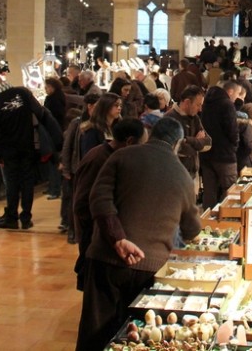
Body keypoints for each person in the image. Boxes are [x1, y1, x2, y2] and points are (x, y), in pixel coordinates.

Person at [77, 117, 201, 350]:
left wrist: (118, 238)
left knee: (94, 332)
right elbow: (192, 228)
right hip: (149, 266)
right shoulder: (183, 176)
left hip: (106, 258)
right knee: (137, 337)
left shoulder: (122, 156)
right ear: (178, 143)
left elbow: (98, 199)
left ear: (151, 134)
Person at [71, 118, 147, 291]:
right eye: (142, 144)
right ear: (129, 141)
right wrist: (103, 227)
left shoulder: (115, 156)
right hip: (95, 235)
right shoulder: (99, 158)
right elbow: (82, 204)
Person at [0, 82, 58, 230]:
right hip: (27, 146)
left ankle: (12, 217)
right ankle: (26, 217)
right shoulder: (23, 94)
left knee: (12, 184)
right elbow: (40, 113)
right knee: (27, 182)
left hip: (8, 150)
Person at [200, 80, 242, 208]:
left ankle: (208, 218)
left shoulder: (206, 102)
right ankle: (225, 217)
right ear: (230, 91)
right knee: (230, 189)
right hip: (225, 154)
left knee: (209, 191)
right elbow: (232, 129)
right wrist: (234, 146)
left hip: (206, 153)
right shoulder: (227, 104)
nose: (237, 97)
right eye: (238, 93)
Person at [166, 85, 211, 186]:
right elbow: (175, 149)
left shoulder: (195, 118)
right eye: (198, 105)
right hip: (176, 177)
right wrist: (197, 142)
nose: (200, 109)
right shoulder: (169, 119)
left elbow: (208, 143)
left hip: (193, 174)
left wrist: (188, 140)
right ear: (187, 102)